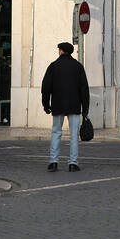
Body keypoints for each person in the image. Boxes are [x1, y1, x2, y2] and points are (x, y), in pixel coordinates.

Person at [41, 42, 91, 172]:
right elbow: (84, 89)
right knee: (74, 134)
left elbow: (45, 87)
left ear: (61, 51)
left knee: (56, 132)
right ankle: (73, 163)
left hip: (57, 104)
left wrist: (46, 104)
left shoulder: (53, 66)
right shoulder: (78, 67)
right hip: (74, 105)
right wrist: (85, 109)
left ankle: (53, 161)